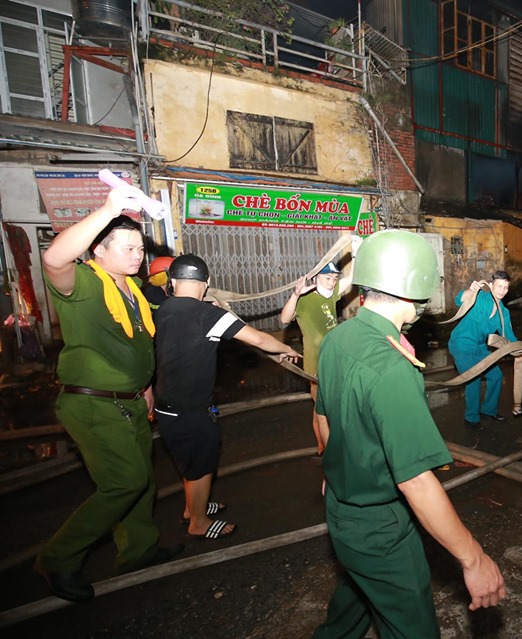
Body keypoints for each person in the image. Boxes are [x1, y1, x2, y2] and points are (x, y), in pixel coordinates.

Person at [312, 230, 505, 638]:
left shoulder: (339, 338)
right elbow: (416, 480)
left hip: (343, 513)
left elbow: (323, 419)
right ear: (416, 284)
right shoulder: (391, 368)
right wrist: (474, 559)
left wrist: (334, 472)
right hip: (380, 526)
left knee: (354, 600)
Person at [35, 185, 183, 602]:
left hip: (130, 399)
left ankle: (138, 552)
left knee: (143, 481)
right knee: (124, 482)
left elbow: (138, 344)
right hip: (94, 402)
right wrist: (108, 209)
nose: (138, 256)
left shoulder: (131, 290)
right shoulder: (82, 282)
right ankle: (58, 559)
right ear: (99, 250)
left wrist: (147, 387)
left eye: (140, 249)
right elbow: (53, 257)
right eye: (129, 248)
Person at [154, 255, 300, 539]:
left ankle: (193, 507)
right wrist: (285, 348)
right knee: (201, 464)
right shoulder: (209, 315)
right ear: (207, 283)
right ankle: (198, 521)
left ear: (172, 283)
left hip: (166, 407)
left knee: (189, 461)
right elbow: (257, 338)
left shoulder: (164, 309)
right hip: (191, 409)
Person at [279, 259, 354, 460]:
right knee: (321, 405)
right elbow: (285, 319)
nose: (331, 282)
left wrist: (355, 252)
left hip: (335, 357)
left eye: (334, 278)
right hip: (316, 361)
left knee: (331, 404)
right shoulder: (305, 299)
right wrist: (295, 295)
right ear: (316, 278)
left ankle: (325, 445)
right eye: (327, 277)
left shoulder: (331, 294)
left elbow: (352, 278)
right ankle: (327, 450)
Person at [448, 271, 522, 429]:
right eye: (499, 286)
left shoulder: (504, 312)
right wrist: (472, 290)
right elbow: (459, 299)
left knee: (496, 376)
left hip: (481, 348)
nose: (502, 291)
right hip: (461, 344)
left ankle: (489, 410)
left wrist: (519, 352)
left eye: (506, 287)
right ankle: (471, 418)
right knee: (473, 379)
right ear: (490, 285)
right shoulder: (479, 297)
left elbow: (509, 335)